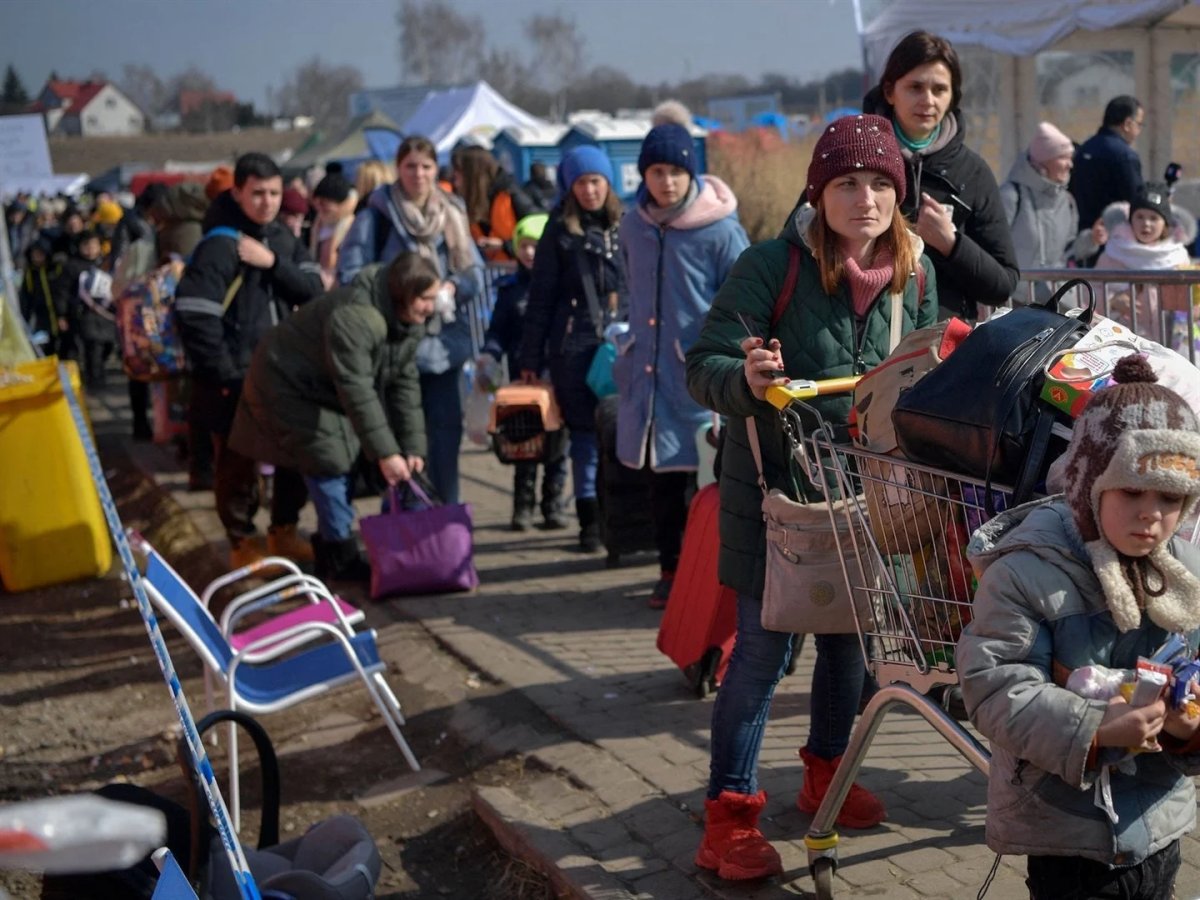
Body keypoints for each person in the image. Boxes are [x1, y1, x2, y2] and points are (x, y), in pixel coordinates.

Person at [685, 114, 937, 880]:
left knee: (851, 646)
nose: (865, 199)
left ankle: (828, 774)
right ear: (818, 193)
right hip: (776, 498)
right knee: (762, 655)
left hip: (870, 499)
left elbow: (929, 369)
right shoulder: (772, 265)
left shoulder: (916, 273)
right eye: (847, 184)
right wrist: (747, 378)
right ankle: (728, 816)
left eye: (880, 184)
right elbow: (704, 365)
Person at [957, 354, 1200, 900]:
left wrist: (1189, 726)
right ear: (1090, 485)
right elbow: (994, 687)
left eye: (1169, 497)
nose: (1151, 514)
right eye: (1131, 492)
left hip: (1159, 823)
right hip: (1065, 829)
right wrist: (1097, 727)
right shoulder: (1027, 571)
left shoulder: (1187, 573)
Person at [230, 253, 435, 582]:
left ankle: (302, 539)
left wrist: (411, 447)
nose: (431, 307)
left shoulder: (405, 322)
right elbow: (358, 390)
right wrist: (386, 454)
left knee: (323, 456)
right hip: (285, 382)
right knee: (329, 457)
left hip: (317, 385)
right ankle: (339, 554)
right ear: (404, 294)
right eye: (425, 299)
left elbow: (404, 383)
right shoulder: (358, 318)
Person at [618, 123, 749, 607]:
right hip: (647, 373)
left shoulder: (720, 230)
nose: (667, 182)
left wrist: (729, 352)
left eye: (675, 171)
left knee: (708, 478)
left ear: (690, 172)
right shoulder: (632, 226)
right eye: (656, 171)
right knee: (661, 480)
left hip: (700, 374)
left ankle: (711, 573)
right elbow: (627, 284)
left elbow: (745, 298)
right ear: (643, 174)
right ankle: (669, 568)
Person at [175, 152, 325, 567]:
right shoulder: (218, 245)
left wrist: (273, 264)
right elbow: (195, 315)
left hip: (286, 374)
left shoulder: (283, 240)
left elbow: (314, 291)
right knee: (237, 463)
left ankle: (284, 531)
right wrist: (225, 373)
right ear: (238, 192)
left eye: (274, 193)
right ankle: (241, 541)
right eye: (258, 193)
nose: (267, 202)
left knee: (294, 455)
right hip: (236, 377)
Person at [338, 135, 485, 506]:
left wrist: (453, 287)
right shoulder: (376, 216)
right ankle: (404, 524)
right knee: (404, 444)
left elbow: (475, 272)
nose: (418, 174)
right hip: (397, 346)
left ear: (437, 170)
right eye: (410, 166)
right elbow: (351, 275)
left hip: (445, 345)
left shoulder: (452, 212)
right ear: (398, 169)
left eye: (426, 166)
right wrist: (402, 294)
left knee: (445, 437)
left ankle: (445, 521)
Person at [862, 29, 1018, 321]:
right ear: (889, 92)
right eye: (915, 87)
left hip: (945, 340)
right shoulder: (854, 158)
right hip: (863, 336)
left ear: (952, 97)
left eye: (939, 90)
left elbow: (1003, 283)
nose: (928, 100)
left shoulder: (972, 171)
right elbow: (801, 241)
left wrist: (952, 244)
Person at [517, 146, 628, 553]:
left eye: (595, 181)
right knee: (584, 438)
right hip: (573, 347)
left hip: (621, 345)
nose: (589, 190)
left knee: (621, 434)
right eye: (580, 182)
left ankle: (624, 519)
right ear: (569, 187)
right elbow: (541, 298)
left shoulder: (628, 225)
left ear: (607, 183)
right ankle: (589, 524)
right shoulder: (558, 232)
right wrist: (530, 358)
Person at [476, 213, 568, 532]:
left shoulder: (562, 287)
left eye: (536, 246)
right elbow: (497, 332)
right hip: (522, 382)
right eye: (524, 245)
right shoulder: (510, 290)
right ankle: (522, 507)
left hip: (556, 380)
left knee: (557, 445)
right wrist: (489, 355)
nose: (530, 252)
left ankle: (553, 505)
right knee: (523, 444)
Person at [1000, 121, 1078, 305]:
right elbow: (992, 245)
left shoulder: (1066, 201)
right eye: (1063, 158)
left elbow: (1068, 250)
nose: (1070, 165)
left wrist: (1092, 240)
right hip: (1012, 300)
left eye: (1071, 158)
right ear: (1044, 160)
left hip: (1052, 299)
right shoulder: (1011, 195)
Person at [1071, 95, 1146, 248]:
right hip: (1112, 240)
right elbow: (1136, 200)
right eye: (1139, 124)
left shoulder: (1085, 149)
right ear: (1127, 124)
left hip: (1081, 238)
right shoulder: (1125, 156)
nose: (1139, 131)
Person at [452, 145, 536, 262]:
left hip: (518, 269)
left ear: (472, 176)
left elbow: (540, 236)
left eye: (458, 176)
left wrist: (504, 246)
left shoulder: (511, 195)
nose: (456, 183)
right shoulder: (465, 202)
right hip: (489, 269)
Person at [65, 229, 118, 388]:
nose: (90, 249)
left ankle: (98, 372)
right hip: (86, 314)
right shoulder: (73, 266)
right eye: (86, 245)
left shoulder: (107, 264)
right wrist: (63, 314)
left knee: (107, 345)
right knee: (93, 347)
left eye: (94, 245)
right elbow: (64, 292)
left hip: (107, 314)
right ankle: (95, 380)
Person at [308, 172, 357, 287]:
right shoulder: (317, 225)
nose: (319, 209)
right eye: (317, 204)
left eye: (324, 204)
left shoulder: (353, 227)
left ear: (342, 204)